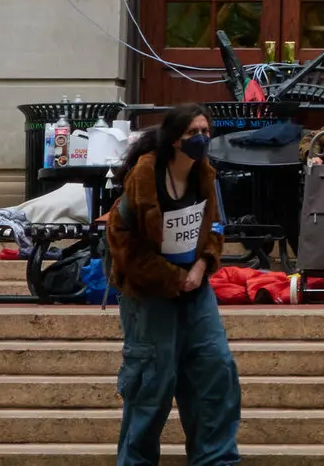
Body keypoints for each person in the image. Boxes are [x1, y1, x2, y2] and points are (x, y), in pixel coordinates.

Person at [103, 104, 241, 466]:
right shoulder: (146, 175)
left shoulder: (205, 174)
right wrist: (173, 278)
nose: (201, 138)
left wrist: (202, 265)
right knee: (151, 383)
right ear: (175, 139)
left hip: (196, 291)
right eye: (193, 132)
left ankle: (216, 459)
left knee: (216, 370)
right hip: (149, 295)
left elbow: (215, 225)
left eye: (206, 131)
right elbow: (121, 241)